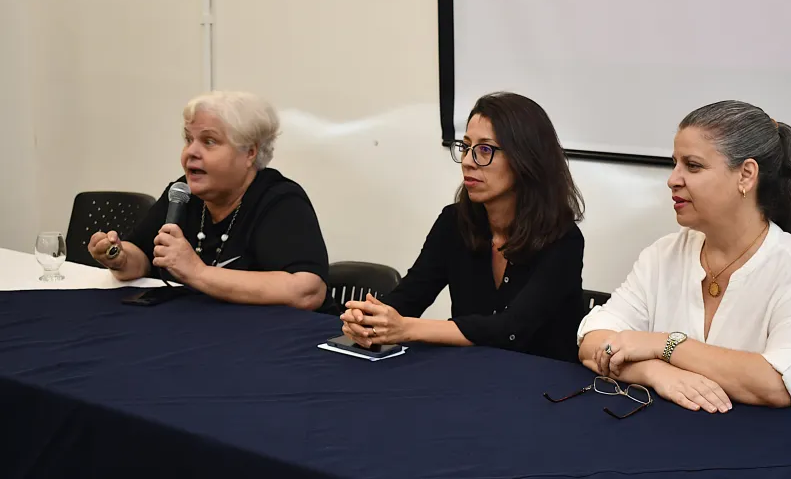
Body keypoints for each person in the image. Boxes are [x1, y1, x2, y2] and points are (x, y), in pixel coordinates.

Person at [578, 100, 791, 418]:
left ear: (746, 175)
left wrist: (665, 345)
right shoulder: (663, 255)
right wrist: (655, 373)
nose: (673, 179)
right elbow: (593, 341)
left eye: (693, 166)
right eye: (675, 164)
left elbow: (777, 383)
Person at [340, 92, 585, 362]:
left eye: (485, 150)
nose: (468, 161)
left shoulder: (563, 239)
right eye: (466, 147)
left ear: (525, 160)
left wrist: (406, 328)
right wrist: (369, 319)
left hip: (542, 379)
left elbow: (512, 330)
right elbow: (410, 298)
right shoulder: (454, 222)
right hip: (468, 371)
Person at [87, 90, 329, 310]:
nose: (191, 152)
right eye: (188, 140)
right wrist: (120, 258)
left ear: (250, 152)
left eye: (209, 141)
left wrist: (197, 272)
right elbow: (143, 256)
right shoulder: (183, 193)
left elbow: (307, 291)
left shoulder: (280, 200)